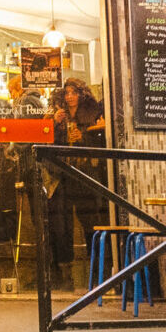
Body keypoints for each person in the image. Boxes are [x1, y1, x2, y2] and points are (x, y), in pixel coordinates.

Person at [47, 78, 110, 289]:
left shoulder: (92, 113)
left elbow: (100, 141)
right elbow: (48, 142)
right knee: (61, 226)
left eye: (73, 92)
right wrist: (55, 124)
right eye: (66, 93)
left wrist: (83, 136)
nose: (69, 97)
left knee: (89, 222)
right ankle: (65, 276)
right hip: (63, 175)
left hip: (86, 174)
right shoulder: (60, 115)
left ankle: (98, 274)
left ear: (82, 94)